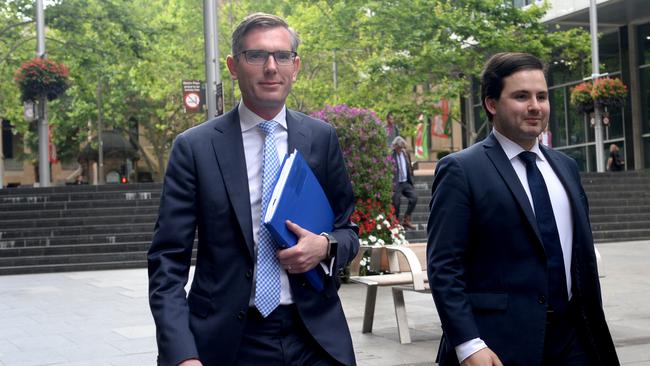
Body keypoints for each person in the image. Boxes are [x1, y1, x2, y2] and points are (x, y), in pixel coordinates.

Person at [148, 13, 359, 366]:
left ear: (296, 66)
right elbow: (167, 262)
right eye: (257, 56)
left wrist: (324, 246)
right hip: (231, 343)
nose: (271, 67)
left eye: (282, 56)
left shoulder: (321, 140)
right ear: (233, 66)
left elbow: (347, 231)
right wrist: (182, 354)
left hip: (315, 338)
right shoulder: (195, 148)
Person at [427, 52, 619, 366]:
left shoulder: (566, 167)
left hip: (575, 341)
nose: (535, 106)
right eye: (521, 96)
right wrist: (468, 345)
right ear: (491, 104)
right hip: (498, 345)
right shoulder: (461, 170)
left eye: (541, 96)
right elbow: (444, 267)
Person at [391, 136, 417, 230]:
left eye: (402, 148)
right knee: (396, 202)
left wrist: (411, 179)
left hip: (406, 182)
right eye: (398, 148)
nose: (400, 150)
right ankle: (396, 223)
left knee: (414, 198)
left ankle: (406, 219)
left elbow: (409, 165)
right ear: (395, 147)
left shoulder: (406, 154)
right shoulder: (391, 155)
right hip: (396, 183)